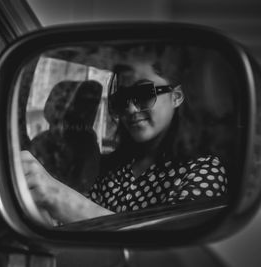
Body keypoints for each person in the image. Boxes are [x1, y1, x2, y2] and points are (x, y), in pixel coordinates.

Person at [22, 45, 227, 224]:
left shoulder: (204, 170)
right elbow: (79, 228)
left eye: (144, 94)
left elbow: (169, 249)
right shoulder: (114, 167)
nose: (130, 109)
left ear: (176, 97)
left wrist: (58, 196)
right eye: (122, 98)